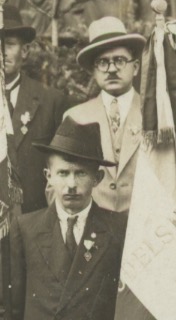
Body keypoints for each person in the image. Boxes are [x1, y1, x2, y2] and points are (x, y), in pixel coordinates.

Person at [10, 117, 126, 320]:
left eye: (80, 173)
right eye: (63, 173)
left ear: (97, 179)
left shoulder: (118, 228)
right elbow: (14, 306)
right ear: (48, 176)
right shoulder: (25, 228)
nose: (71, 184)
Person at [62, 16, 146, 212]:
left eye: (119, 60)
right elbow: (58, 185)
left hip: (143, 230)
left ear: (135, 67)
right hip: (92, 231)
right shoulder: (75, 117)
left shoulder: (154, 114)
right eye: (103, 62)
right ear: (94, 71)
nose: (111, 69)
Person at [3, 4, 67, 213]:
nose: (1, 53)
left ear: (25, 50)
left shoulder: (51, 101)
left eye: (9, 44)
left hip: (33, 225)